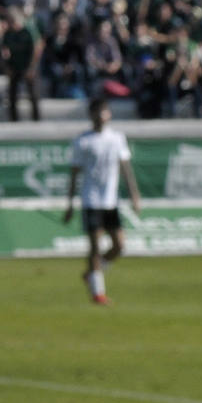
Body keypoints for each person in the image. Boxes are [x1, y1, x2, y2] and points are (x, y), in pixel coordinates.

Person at [62, 97, 142, 305]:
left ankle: (91, 274)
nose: (101, 115)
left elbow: (126, 168)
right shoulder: (83, 141)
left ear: (109, 114)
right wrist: (70, 204)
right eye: (97, 111)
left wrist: (135, 195)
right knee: (95, 248)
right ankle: (98, 293)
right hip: (91, 200)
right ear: (91, 115)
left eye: (104, 111)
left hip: (111, 201)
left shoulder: (117, 138)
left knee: (119, 246)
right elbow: (74, 173)